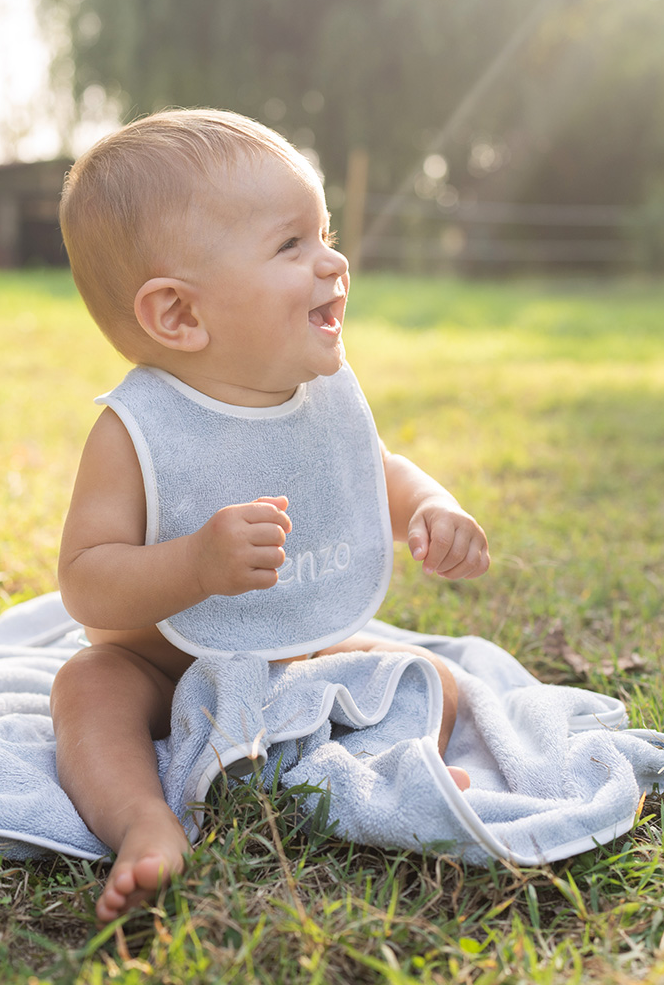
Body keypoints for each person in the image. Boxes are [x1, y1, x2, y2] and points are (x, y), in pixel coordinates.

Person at [51, 108, 490, 923]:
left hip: (299, 651)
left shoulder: (322, 394)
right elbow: (85, 585)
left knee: (430, 680)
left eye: (325, 233)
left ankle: (401, 777)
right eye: (293, 245)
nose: (334, 261)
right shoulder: (134, 430)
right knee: (85, 689)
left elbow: (371, 474)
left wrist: (432, 505)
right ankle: (145, 822)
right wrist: (193, 565)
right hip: (161, 671)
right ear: (179, 314)